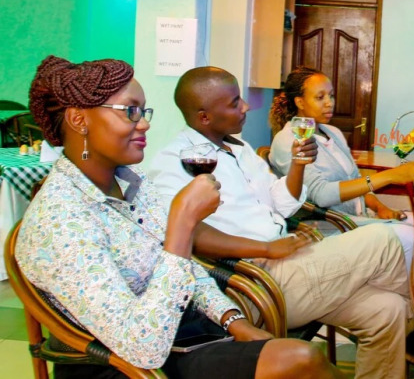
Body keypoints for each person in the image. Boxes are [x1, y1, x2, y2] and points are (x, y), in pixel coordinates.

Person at [17, 56, 340, 379]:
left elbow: (189, 271)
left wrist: (234, 321)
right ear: (79, 120)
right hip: (123, 365)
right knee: (302, 360)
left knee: (304, 356)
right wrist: (183, 225)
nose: (144, 124)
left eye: (144, 112)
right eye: (130, 111)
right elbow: (142, 347)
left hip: (182, 334)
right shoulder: (59, 219)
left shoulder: (133, 184)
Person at [150, 66, 414, 378]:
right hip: (255, 280)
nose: (246, 106)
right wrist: (267, 249)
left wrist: (298, 165)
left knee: (388, 310)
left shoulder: (239, 149)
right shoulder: (174, 161)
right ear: (204, 117)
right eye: (234, 103)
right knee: (389, 240)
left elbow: (280, 201)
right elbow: (187, 232)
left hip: (288, 260)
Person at [268, 66, 414, 273]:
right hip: (331, 226)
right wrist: (389, 176)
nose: (329, 103)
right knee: (411, 236)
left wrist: (380, 208)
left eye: (331, 96)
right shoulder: (287, 141)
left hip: (363, 216)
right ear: (299, 102)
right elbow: (322, 195)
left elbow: (355, 179)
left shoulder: (333, 133)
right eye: (320, 97)